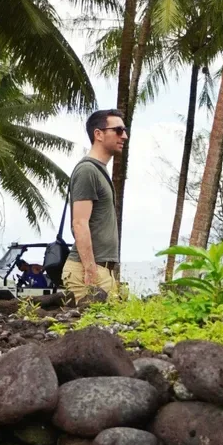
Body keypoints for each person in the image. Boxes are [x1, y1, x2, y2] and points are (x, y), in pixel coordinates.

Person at [62, 108, 128, 303]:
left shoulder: (99, 171)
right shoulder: (87, 171)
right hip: (88, 270)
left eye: (124, 130)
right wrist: (90, 271)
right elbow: (79, 223)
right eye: (118, 130)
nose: (124, 136)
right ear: (98, 134)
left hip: (102, 270)